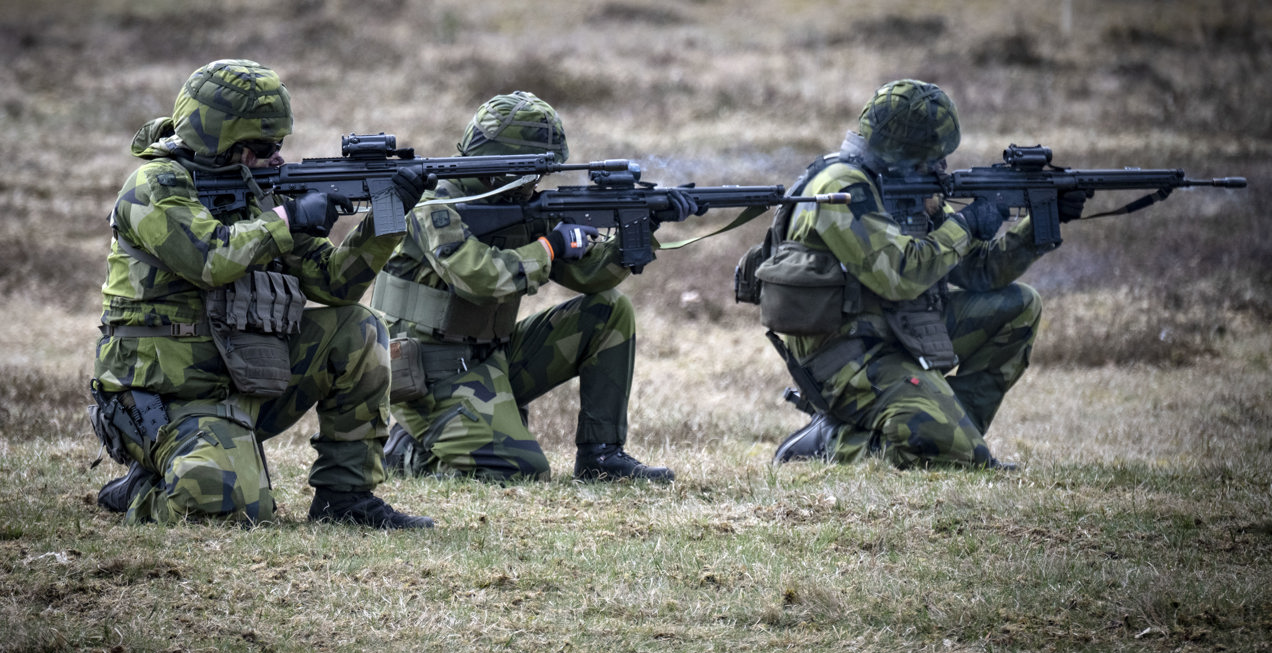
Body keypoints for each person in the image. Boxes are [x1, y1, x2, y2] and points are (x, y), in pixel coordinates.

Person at [89, 58, 434, 528]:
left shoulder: (258, 192)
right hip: (165, 399)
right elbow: (209, 259)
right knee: (237, 509)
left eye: (279, 145)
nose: (276, 157)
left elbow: (335, 282)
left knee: (358, 329)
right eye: (262, 146)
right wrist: (289, 220)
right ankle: (145, 489)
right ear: (218, 140)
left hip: (248, 380)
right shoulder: (153, 186)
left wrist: (389, 214)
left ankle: (346, 499)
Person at [370, 91, 690, 482]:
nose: (538, 181)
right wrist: (551, 246)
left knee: (608, 310)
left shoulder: (516, 201)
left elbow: (588, 278)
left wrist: (642, 227)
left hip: (492, 359)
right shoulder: (433, 203)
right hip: (430, 374)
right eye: (533, 170)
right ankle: (406, 453)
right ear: (503, 165)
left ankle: (602, 457)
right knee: (521, 470)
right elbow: (478, 278)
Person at [768, 78, 1087, 469]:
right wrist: (967, 223)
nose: (942, 166)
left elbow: (981, 270)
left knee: (1019, 307)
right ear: (903, 151)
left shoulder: (905, 184)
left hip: (899, 331)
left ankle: (950, 432)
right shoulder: (842, 189)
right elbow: (899, 274)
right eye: (933, 155)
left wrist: (1038, 224)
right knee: (964, 457)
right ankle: (835, 439)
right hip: (846, 353)